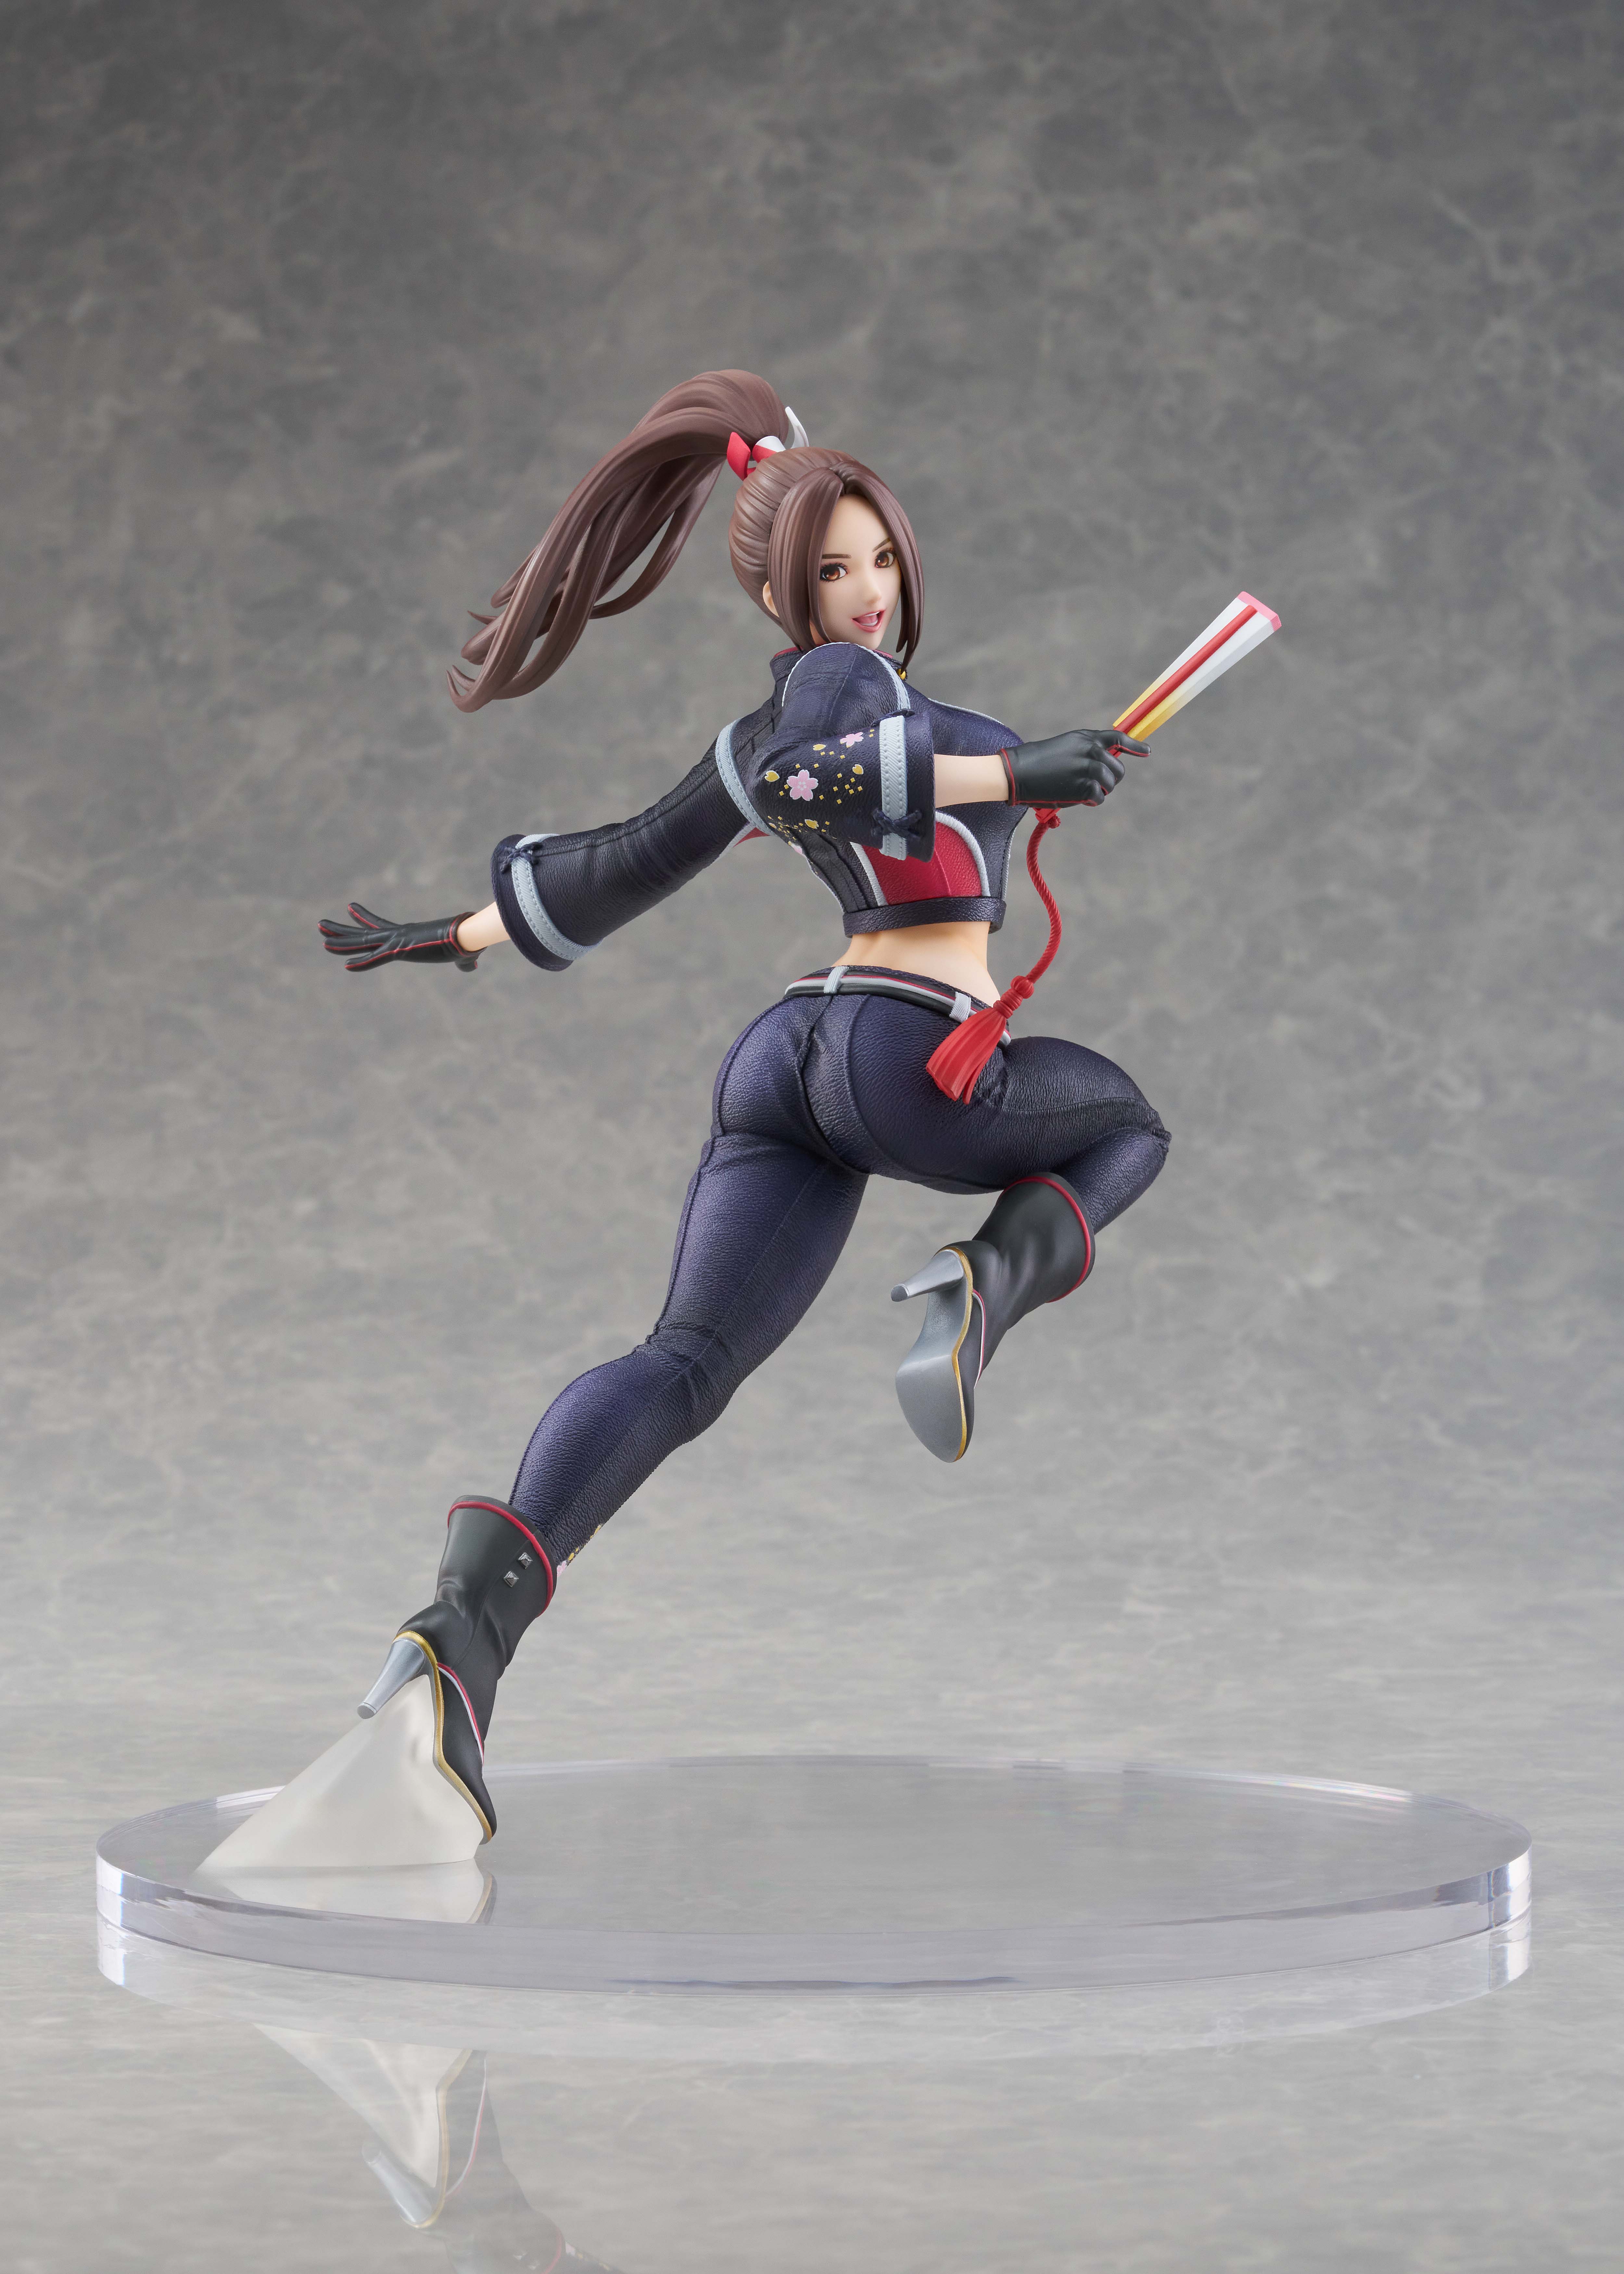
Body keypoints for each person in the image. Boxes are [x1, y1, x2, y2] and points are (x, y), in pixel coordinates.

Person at [319, 372, 1169, 1845]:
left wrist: (457, 934)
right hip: (902, 1057)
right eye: (832, 571)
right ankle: (979, 1288)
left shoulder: (849, 707)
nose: (866, 593)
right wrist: (1011, 766)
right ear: (785, 593)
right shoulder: (835, 695)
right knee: (1127, 1129)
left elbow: (627, 861)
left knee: (683, 1364)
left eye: (879, 558)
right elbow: (810, 781)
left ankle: (464, 1636)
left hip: (791, 1064)